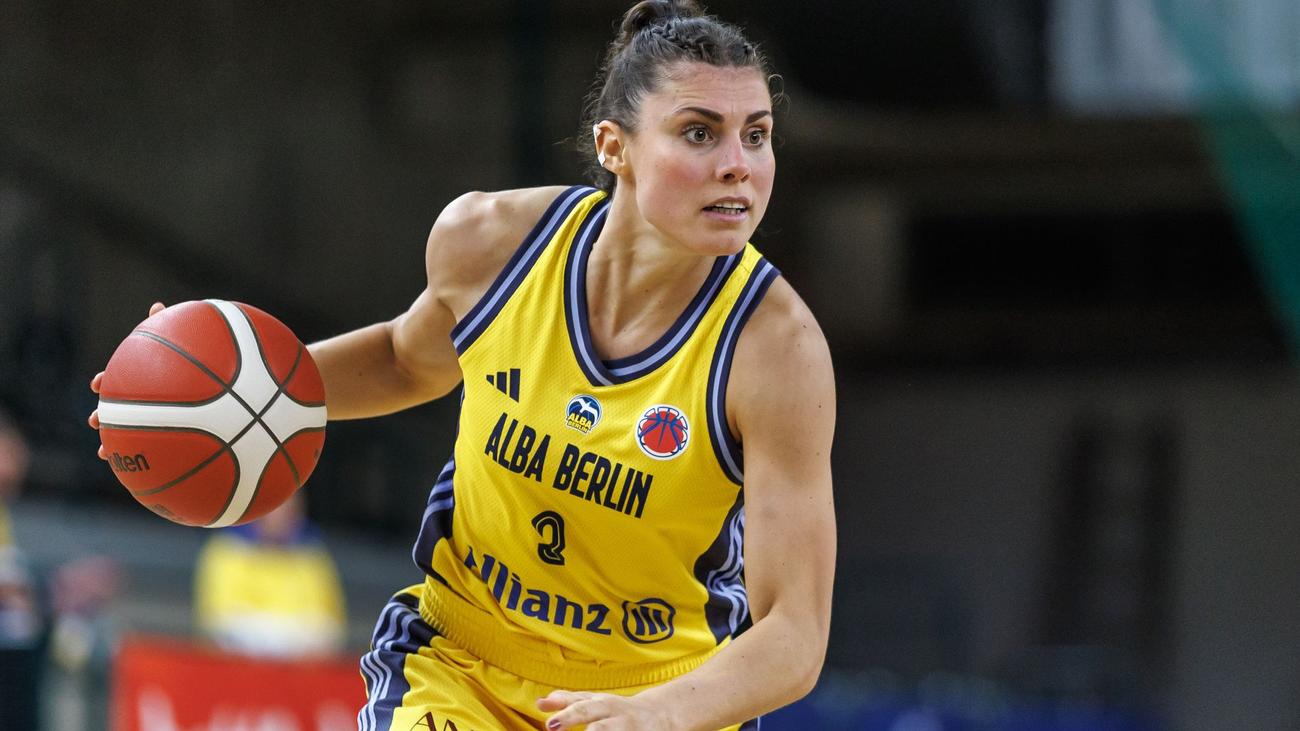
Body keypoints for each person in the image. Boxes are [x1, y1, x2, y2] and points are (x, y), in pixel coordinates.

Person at [91, 2, 836, 728]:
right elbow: (403, 361)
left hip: (660, 692)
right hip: (461, 664)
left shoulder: (778, 350)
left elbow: (794, 632)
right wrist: (215, 392)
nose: (738, 167)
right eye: (700, 133)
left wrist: (659, 714)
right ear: (615, 147)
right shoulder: (494, 243)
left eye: (757, 135)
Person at [192, 490, 347, 658]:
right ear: (258, 509)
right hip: (237, 664)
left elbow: (329, 625)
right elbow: (219, 620)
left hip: (299, 667)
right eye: (275, 508)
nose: (281, 516)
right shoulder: (226, 550)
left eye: (289, 509)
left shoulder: (313, 557)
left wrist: (287, 641)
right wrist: (281, 637)